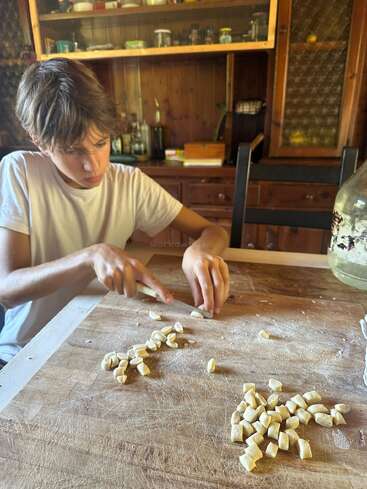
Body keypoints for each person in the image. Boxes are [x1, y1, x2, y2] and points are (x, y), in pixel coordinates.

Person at [0, 58, 230, 369]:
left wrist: (197, 252)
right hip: (26, 352)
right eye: (72, 150)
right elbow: (7, 289)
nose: (92, 165)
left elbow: (213, 232)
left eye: (100, 143)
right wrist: (90, 257)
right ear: (38, 141)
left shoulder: (128, 183)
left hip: (97, 348)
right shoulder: (22, 172)